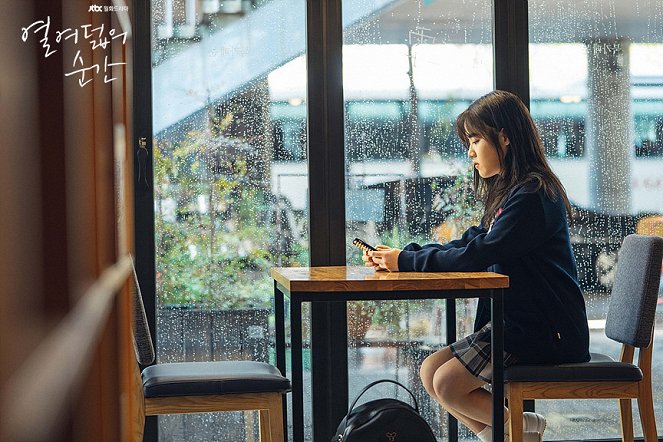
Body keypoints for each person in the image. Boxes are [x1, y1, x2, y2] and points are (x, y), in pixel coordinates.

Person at [362, 90, 590, 442]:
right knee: (430, 371)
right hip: (523, 324)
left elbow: (479, 252)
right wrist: (401, 256)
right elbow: (472, 241)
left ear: (504, 137)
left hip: (546, 332)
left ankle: (523, 429)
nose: (469, 151)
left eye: (475, 140)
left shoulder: (532, 195)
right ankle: (515, 433)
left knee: (447, 383)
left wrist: (405, 260)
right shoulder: (514, 191)